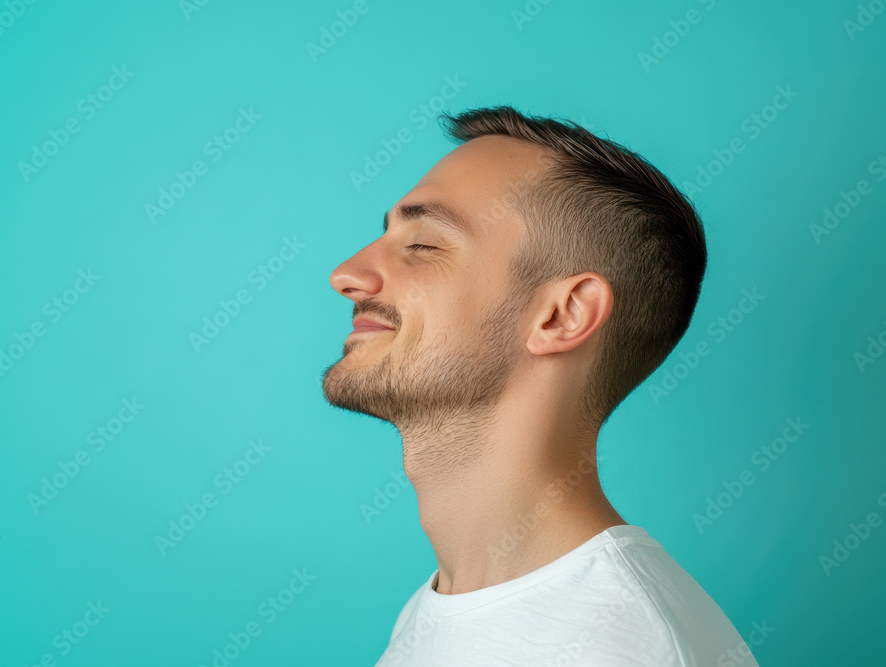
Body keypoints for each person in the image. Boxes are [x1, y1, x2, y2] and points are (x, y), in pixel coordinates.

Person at [320, 105, 760, 666]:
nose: (347, 275)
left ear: (562, 315)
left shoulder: (617, 648)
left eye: (424, 245)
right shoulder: (447, 607)